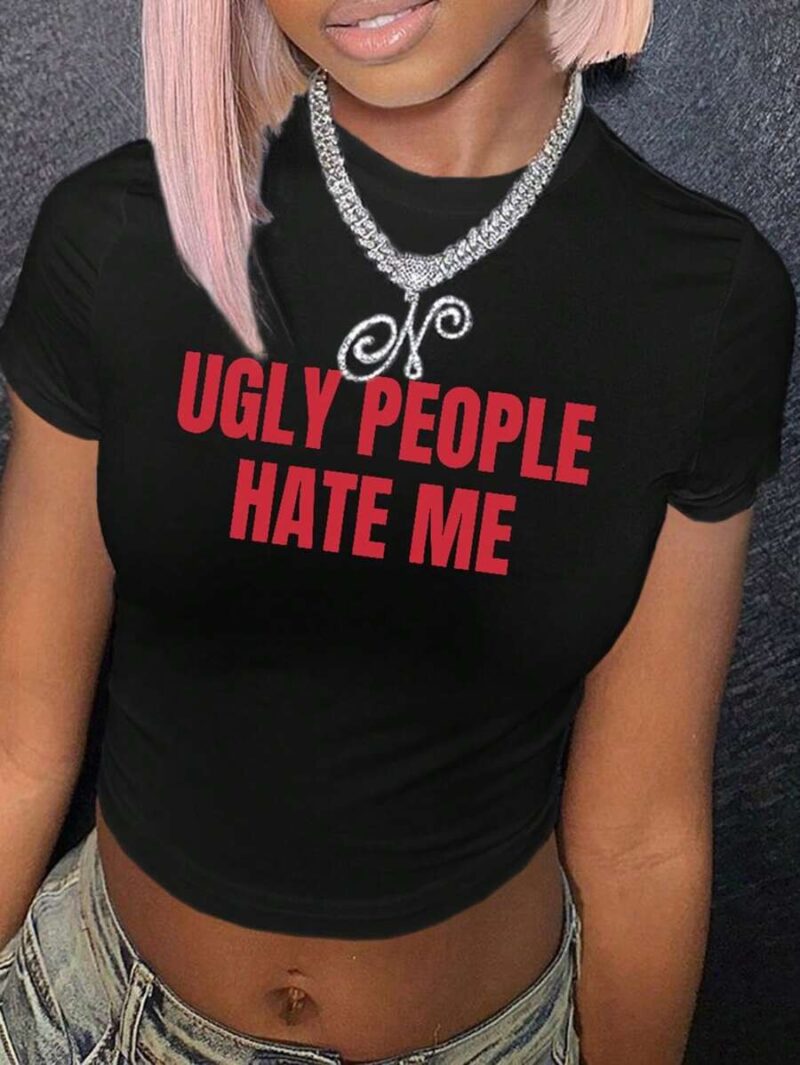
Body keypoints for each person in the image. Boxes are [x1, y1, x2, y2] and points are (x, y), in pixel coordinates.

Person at [0, 1, 795, 1063]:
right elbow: (16, 743)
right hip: (85, 1020)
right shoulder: (119, 235)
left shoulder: (701, 298)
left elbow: (641, 833)